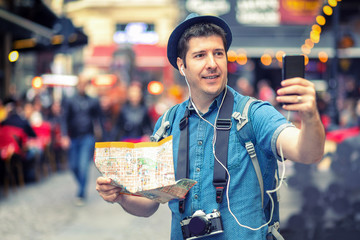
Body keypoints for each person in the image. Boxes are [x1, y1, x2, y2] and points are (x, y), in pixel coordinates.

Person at [96, 13, 325, 239]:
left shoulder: (253, 114)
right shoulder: (168, 123)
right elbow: (149, 204)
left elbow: (308, 153)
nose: (212, 64)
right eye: (200, 55)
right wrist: (121, 197)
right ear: (181, 65)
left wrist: (311, 116)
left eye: (218, 53)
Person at [61, 77, 104, 206]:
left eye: (84, 84)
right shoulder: (69, 101)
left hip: (88, 137)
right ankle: (81, 184)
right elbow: (64, 119)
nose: (82, 86)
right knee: (73, 166)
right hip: (73, 137)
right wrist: (64, 136)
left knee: (83, 165)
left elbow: (99, 118)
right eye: (80, 84)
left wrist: (103, 135)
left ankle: (81, 193)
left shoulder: (93, 101)